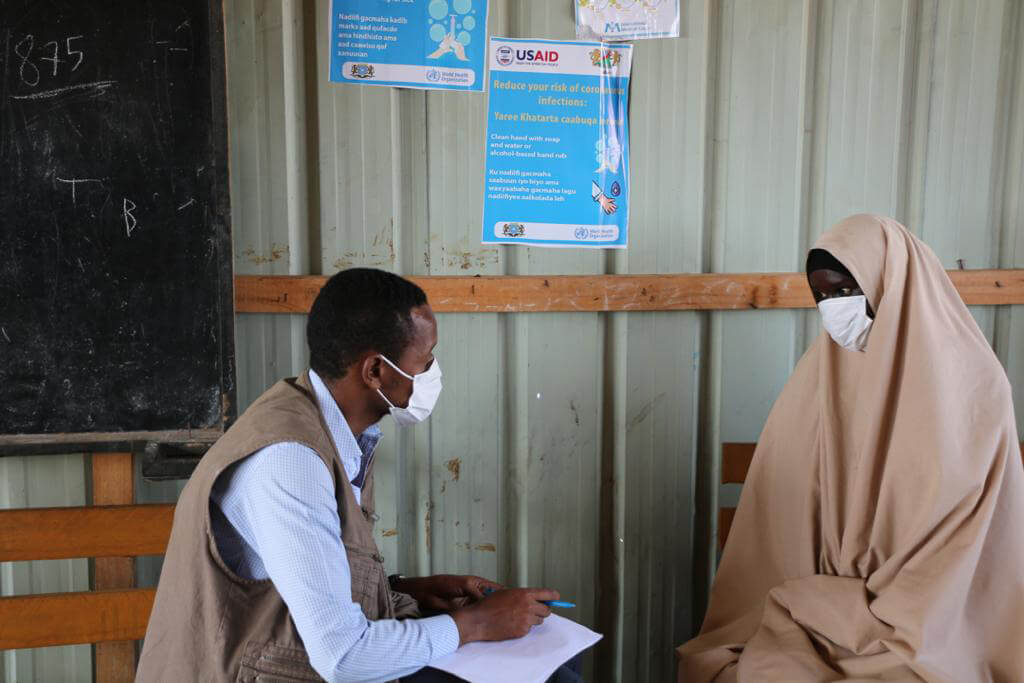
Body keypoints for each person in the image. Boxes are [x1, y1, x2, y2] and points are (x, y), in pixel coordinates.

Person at [137, 268, 561, 682]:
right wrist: (476, 624)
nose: (432, 369)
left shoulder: (331, 427)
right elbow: (343, 657)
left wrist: (406, 591)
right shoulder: (290, 461)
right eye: (425, 358)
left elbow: (305, 582)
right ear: (375, 371)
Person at [677, 214, 1024, 681]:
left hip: (932, 617)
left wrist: (872, 605)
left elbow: (960, 544)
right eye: (820, 295)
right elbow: (779, 513)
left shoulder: (975, 388)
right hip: (812, 614)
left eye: (844, 291)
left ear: (893, 284)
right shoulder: (816, 379)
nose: (832, 309)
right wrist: (830, 601)